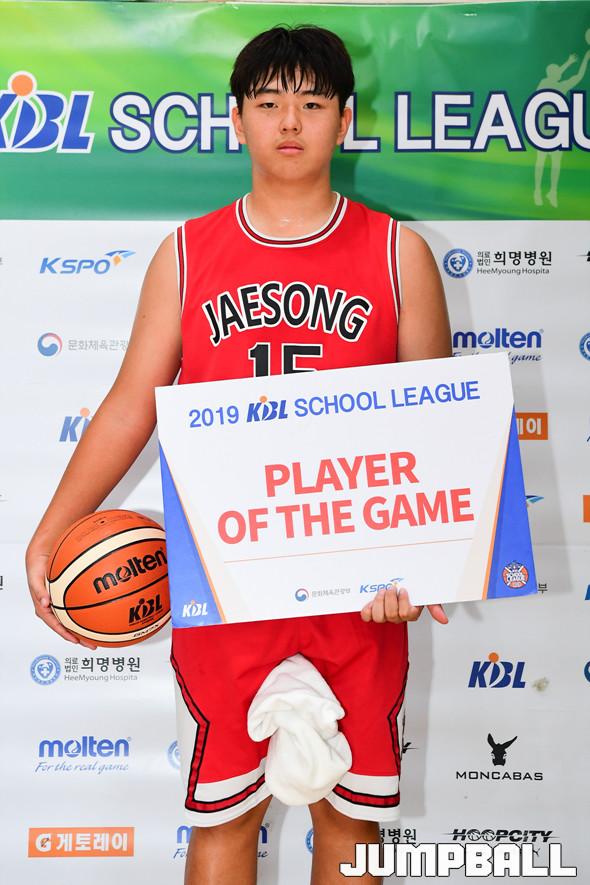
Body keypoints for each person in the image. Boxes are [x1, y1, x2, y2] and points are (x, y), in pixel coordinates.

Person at [26, 25, 451, 885]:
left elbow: (438, 431)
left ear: (345, 120)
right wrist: (52, 528)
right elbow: (129, 405)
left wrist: (427, 564)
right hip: (226, 582)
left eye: (312, 103)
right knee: (225, 815)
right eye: (269, 103)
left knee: (350, 815)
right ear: (236, 119)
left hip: (358, 585)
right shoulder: (186, 254)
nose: (290, 121)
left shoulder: (397, 253)